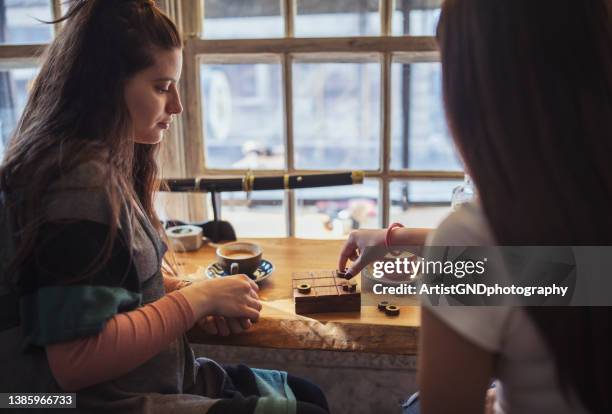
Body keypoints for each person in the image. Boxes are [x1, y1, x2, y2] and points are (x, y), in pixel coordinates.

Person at [0, 1, 328, 413]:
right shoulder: (76, 184)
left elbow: (109, 290)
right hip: (74, 403)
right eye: (160, 87)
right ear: (105, 86)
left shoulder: (97, 166)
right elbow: (75, 360)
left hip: (145, 381)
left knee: (306, 396)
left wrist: (184, 293)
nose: (176, 106)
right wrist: (196, 302)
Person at [339, 0, 612, 413]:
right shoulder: (581, 212)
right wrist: (398, 239)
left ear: (476, 93)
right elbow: (570, 273)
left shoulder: (472, 236)